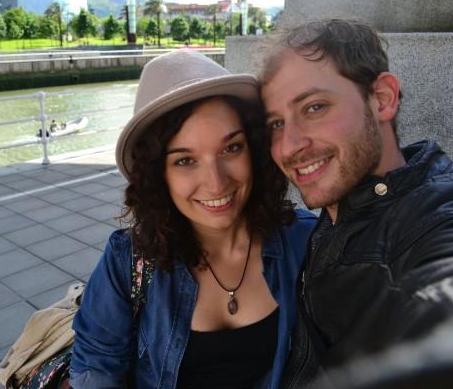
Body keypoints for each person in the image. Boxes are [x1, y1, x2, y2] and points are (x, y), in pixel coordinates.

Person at [69, 50, 316, 388]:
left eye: (231, 148)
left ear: (255, 149)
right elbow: (95, 367)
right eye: (185, 160)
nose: (216, 182)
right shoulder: (127, 261)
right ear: (159, 175)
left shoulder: (305, 241)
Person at [259, 19, 453, 387]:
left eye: (314, 107)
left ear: (382, 99)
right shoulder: (339, 208)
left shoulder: (433, 217)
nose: (288, 146)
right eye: (276, 124)